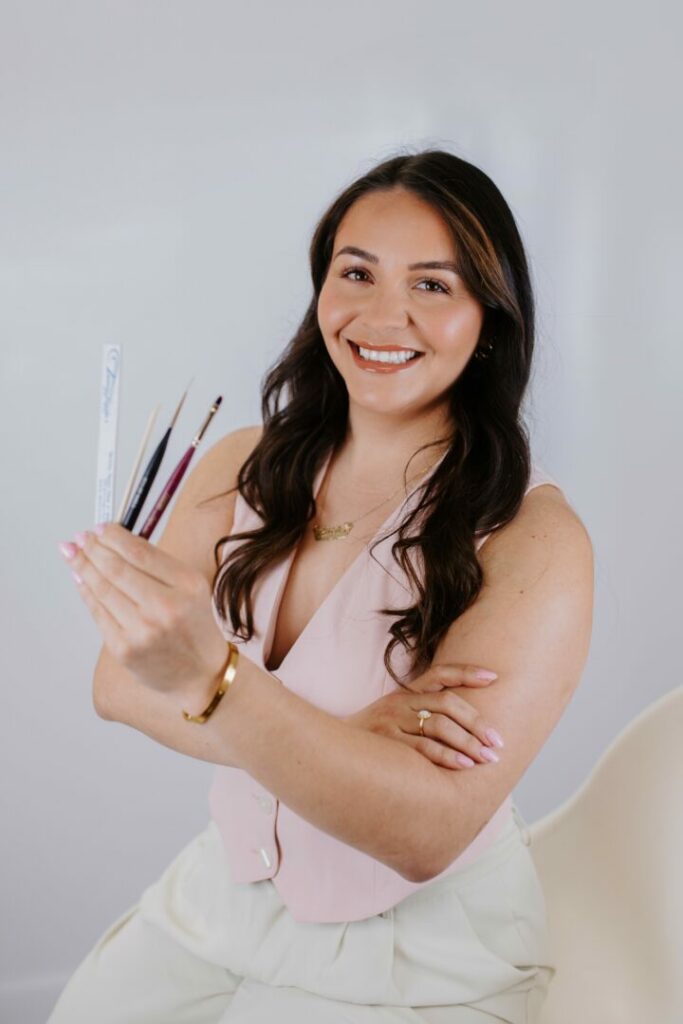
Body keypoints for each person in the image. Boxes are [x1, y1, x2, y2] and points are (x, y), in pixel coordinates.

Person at [51, 148, 594, 1023]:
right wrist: (338, 740)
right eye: (356, 273)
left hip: (421, 955)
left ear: (489, 320)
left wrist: (211, 679)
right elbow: (116, 686)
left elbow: (424, 830)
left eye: (431, 285)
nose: (382, 315)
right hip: (216, 903)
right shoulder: (241, 465)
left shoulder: (535, 538)